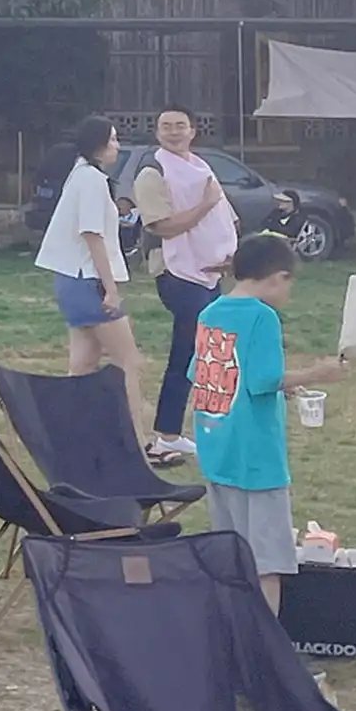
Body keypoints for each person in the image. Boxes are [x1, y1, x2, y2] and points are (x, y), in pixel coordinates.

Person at [189, 231, 344, 610]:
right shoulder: (263, 317)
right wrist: (317, 373)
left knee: (233, 557)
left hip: (217, 450)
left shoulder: (210, 313)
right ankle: (265, 644)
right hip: (256, 460)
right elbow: (262, 380)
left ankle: (233, 631)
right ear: (278, 277)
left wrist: (281, 387)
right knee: (266, 564)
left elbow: (204, 373)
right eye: (289, 283)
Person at [131, 107, 240, 461]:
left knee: (211, 352)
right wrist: (204, 206)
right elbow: (162, 227)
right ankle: (166, 435)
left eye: (180, 126)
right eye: (166, 126)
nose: (174, 132)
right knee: (186, 352)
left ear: (193, 131)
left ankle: (197, 427)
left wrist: (228, 256)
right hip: (178, 273)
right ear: (157, 132)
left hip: (210, 272)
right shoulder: (153, 173)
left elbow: (225, 217)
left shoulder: (202, 168)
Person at [34, 115, 148, 439]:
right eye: (112, 139)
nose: (117, 146)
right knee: (128, 362)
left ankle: (67, 436)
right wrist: (110, 290)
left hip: (72, 281)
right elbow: (92, 235)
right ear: (97, 145)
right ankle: (138, 442)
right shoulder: (91, 180)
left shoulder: (80, 175)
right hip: (88, 281)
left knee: (83, 366)